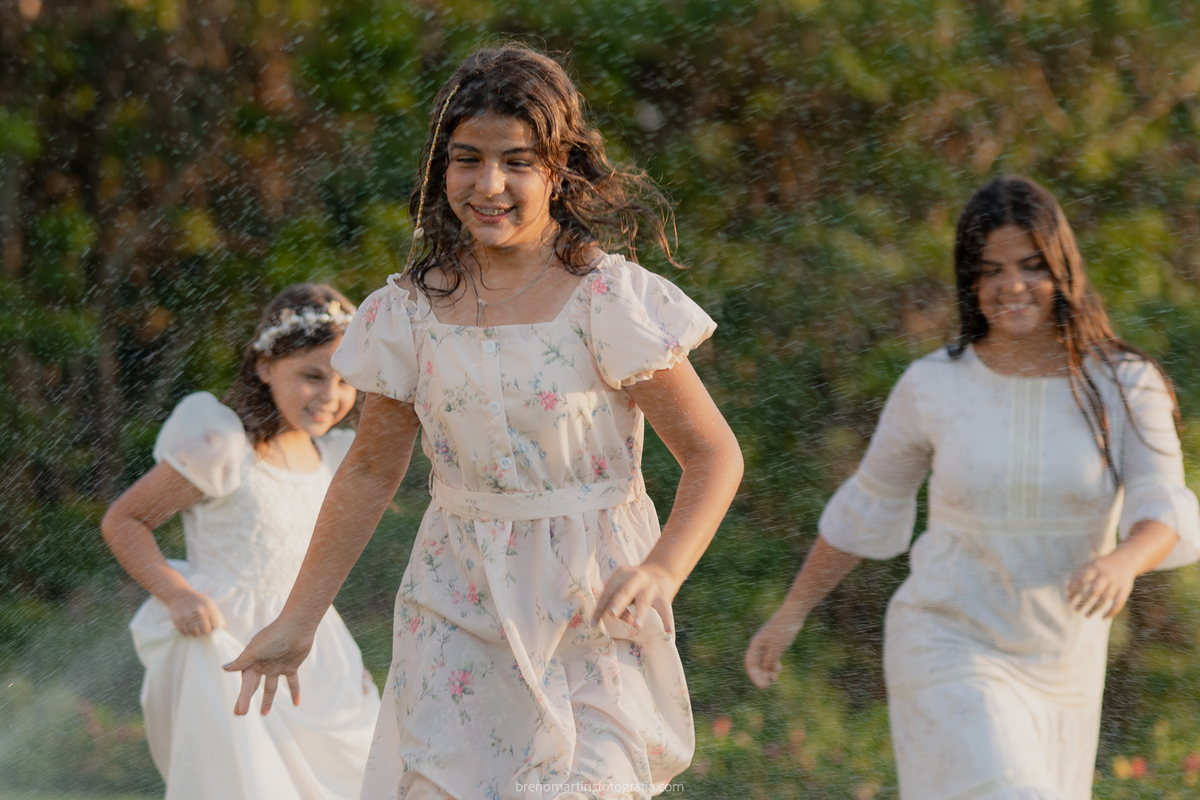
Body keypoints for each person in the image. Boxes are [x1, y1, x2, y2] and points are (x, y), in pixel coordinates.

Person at [223, 45, 743, 800]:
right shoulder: (406, 313)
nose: (488, 185)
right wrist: (298, 620)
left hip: (588, 611)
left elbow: (711, 453)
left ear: (559, 170)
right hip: (455, 601)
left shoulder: (609, 301)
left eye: (517, 162)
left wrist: (664, 568)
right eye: (466, 160)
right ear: (442, 170)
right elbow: (369, 471)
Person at [744, 175, 1200, 800]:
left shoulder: (1124, 384)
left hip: (1063, 660)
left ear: (1062, 268)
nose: (1011, 286)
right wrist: (791, 612)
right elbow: (867, 506)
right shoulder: (932, 386)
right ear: (970, 282)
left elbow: (1163, 506)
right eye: (990, 271)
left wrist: (1123, 562)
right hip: (946, 637)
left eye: (1030, 265)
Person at [100, 284, 381, 800]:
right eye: (312, 375)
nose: (330, 396)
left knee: (356, 776)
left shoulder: (335, 458)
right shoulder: (223, 446)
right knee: (250, 783)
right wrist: (176, 593)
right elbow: (125, 520)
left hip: (309, 642)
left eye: (345, 381)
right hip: (228, 647)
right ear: (265, 366)